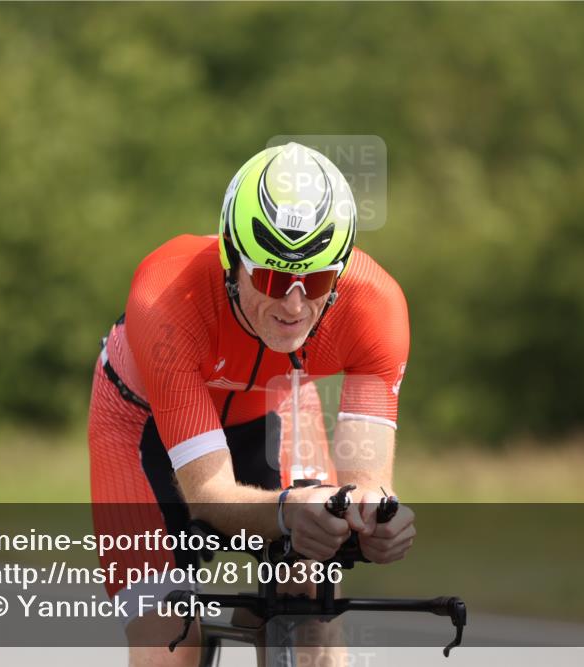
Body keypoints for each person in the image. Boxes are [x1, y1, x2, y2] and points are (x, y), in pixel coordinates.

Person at [87, 142, 414, 665]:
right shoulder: (167, 298)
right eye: (272, 277)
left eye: (318, 280)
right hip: (140, 428)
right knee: (170, 641)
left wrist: (376, 522)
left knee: (310, 611)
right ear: (230, 259)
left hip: (271, 409)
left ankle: (267, 622)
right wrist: (288, 512)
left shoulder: (374, 306)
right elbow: (208, 495)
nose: (294, 303)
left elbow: (368, 486)